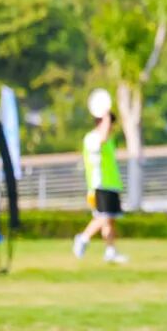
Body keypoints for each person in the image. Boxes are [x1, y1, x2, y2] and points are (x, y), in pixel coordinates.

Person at [73, 103, 128, 264]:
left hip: (111, 185)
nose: (110, 126)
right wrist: (105, 115)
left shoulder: (110, 140)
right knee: (103, 217)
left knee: (110, 220)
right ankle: (83, 238)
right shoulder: (92, 138)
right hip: (99, 184)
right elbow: (101, 139)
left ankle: (110, 251)